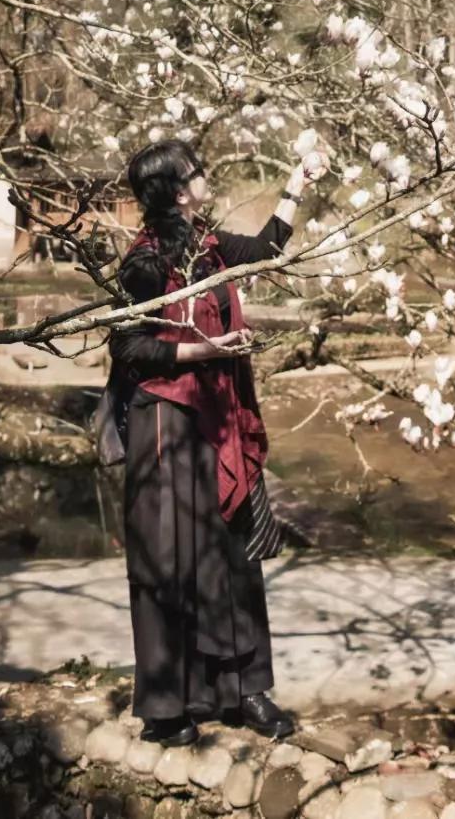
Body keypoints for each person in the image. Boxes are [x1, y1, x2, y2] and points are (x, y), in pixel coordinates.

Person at [109, 138, 308, 748]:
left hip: (219, 415)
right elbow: (129, 348)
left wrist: (300, 179)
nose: (206, 176)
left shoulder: (211, 244)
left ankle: (245, 690)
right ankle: (169, 706)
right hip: (166, 424)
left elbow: (269, 249)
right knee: (170, 558)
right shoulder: (143, 263)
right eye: (196, 172)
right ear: (174, 189)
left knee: (233, 551)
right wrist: (203, 351)